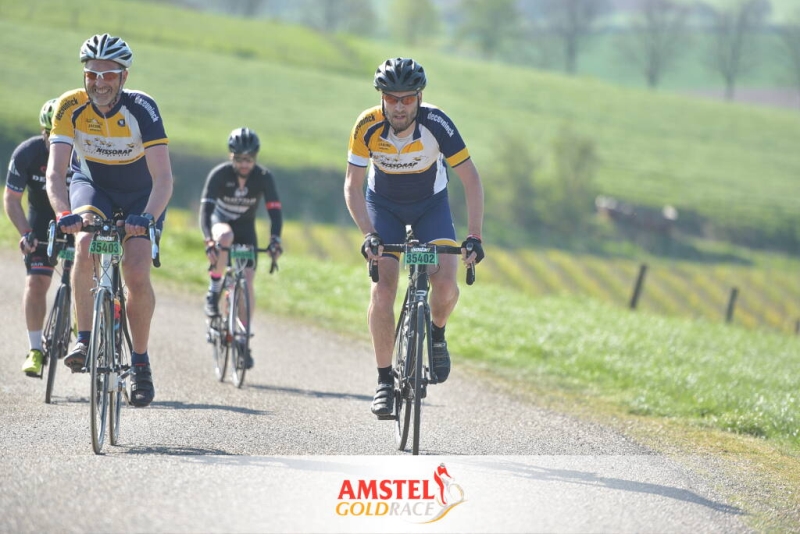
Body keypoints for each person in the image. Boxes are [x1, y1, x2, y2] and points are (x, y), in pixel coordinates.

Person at [344, 57, 485, 418]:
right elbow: (353, 186)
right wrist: (368, 234)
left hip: (430, 207)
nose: (400, 106)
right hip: (384, 207)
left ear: (420, 97)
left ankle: (437, 334)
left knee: (445, 287)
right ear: (381, 98)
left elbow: (471, 178)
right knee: (384, 289)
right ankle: (383, 381)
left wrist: (474, 236)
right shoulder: (367, 125)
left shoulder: (437, 123)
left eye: (408, 98)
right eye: (392, 98)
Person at [46, 33, 173, 407]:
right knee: (84, 243)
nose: (99, 83)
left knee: (135, 270)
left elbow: (164, 178)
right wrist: (62, 214)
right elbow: (56, 174)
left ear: (123, 77)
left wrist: (146, 217)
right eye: (92, 74)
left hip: (140, 193)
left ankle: (141, 362)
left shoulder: (143, 108)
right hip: (93, 185)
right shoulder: (69, 106)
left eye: (108, 75)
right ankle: (84, 339)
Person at [199, 127, 283, 369]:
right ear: (231, 157)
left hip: (246, 229)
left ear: (255, 158)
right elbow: (205, 212)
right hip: (220, 224)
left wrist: (275, 239)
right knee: (225, 236)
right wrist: (208, 240)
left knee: (246, 281)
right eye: (239, 159)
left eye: (249, 159)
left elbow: (275, 212)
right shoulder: (219, 175)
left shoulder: (264, 177)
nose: (244, 164)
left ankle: (243, 342)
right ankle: (214, 290)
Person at [5, 99, 67, 377]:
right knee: (37, 282)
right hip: (41, 222)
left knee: (86, 276)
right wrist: (26, 233)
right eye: (49, 133)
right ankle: (35, 350)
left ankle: (83, 328)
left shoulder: (82, 152)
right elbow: (11, 199)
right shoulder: (27, 153)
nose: (54, 139)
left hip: (78, 220)